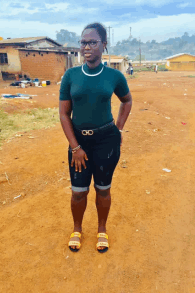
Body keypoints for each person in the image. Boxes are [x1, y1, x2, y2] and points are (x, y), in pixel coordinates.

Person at [59, 22, 132, 253]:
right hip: (79, 143)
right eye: (83, 42)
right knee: (78, 192)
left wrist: (118, 129)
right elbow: (63, 114)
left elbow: (127, 101)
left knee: (103, 189)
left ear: (104, 45)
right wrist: (75, 147)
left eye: (92, 42)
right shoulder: (70, 76)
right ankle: (77, 229)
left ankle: (101, 229)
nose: (86, 47)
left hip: (106, 142)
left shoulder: (114, 76)